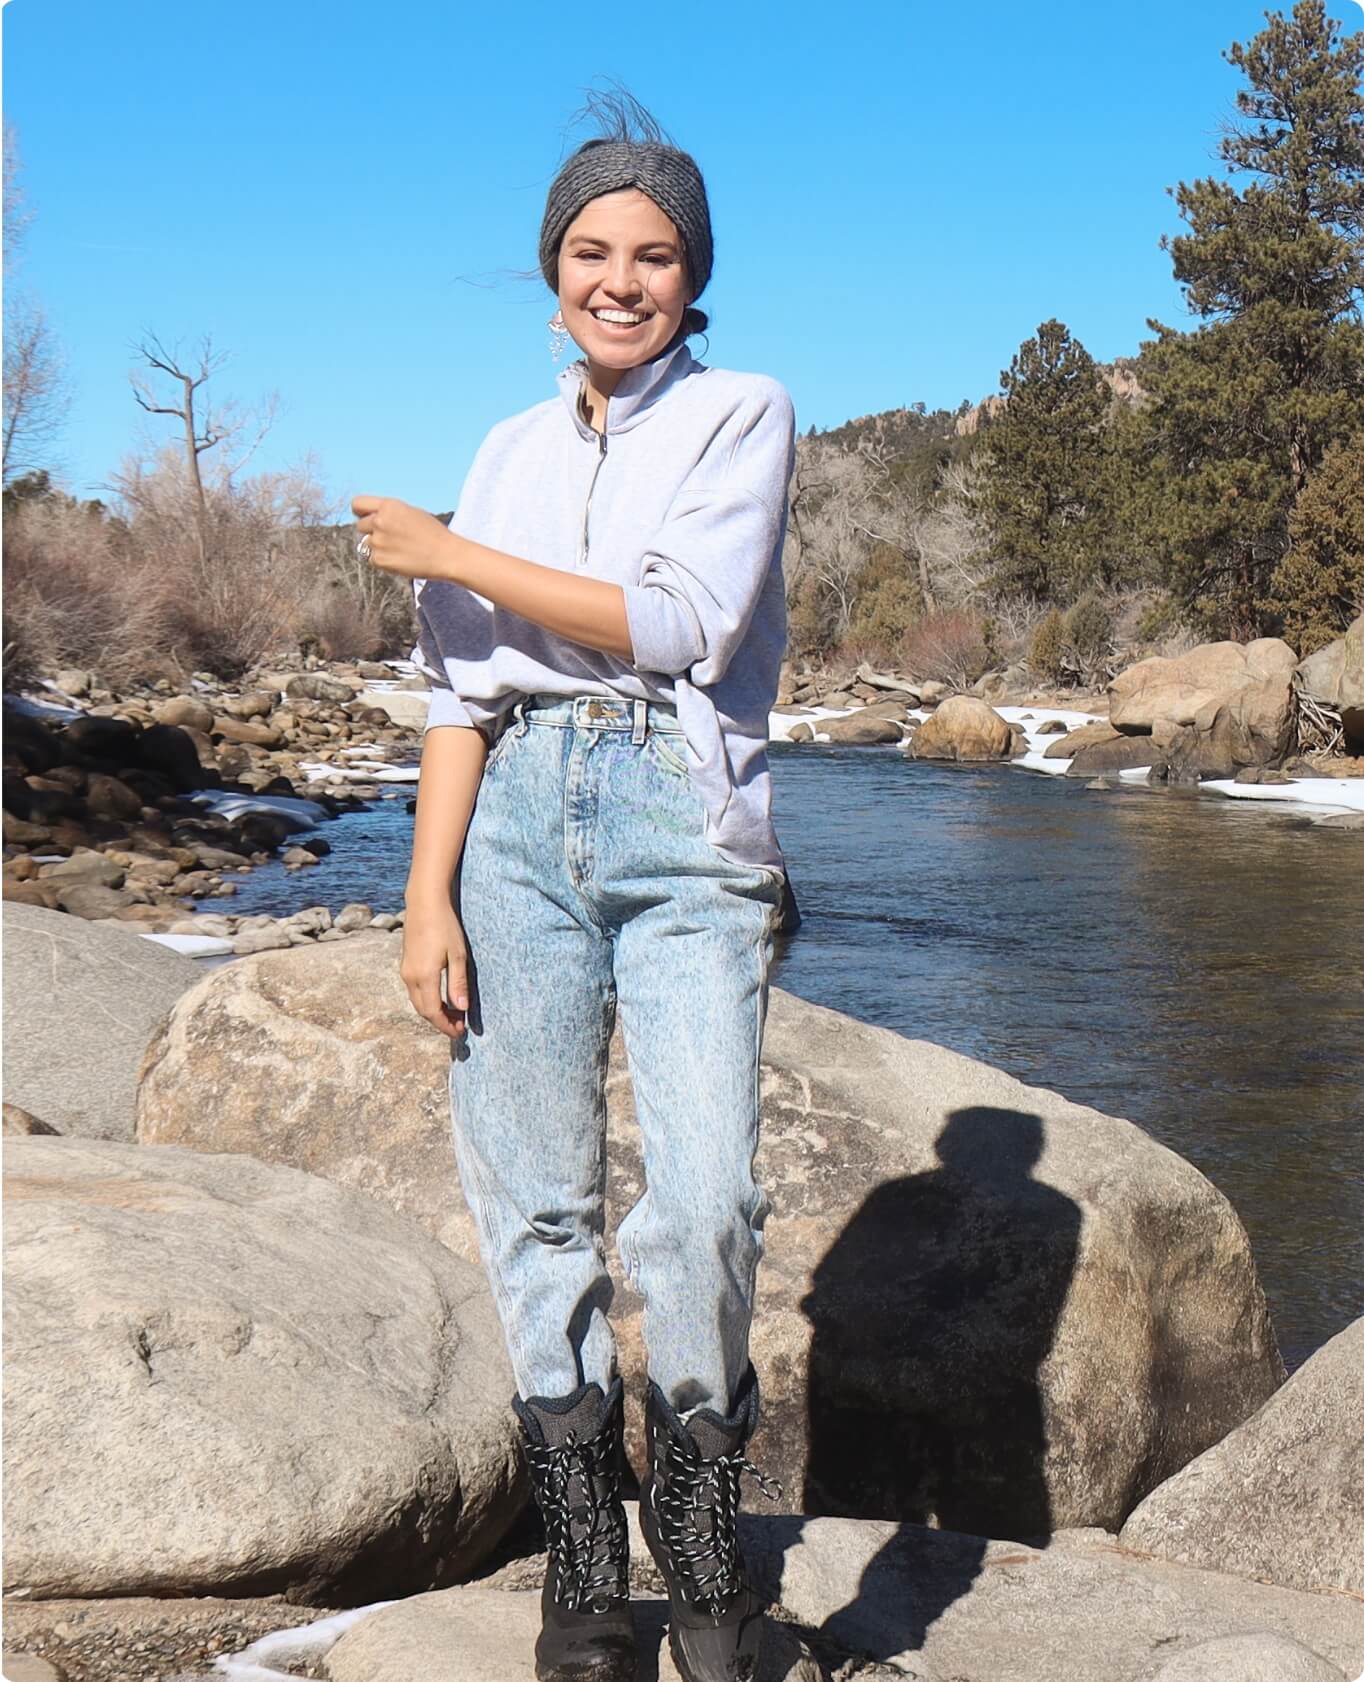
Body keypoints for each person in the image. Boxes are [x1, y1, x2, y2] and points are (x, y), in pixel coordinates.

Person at [352, 96, 794, 1682]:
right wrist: (427, 900)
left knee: (709, 1198)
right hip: (514, 824)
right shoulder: (508, 449)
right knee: (535, 1198)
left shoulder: (744, 411)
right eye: (594, 248)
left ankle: (699, 1532)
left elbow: (675, 624)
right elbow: (462, 697)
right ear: (553, 273)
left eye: (655, 252)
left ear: (693, 276)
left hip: (682, 820)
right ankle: (585, 1563)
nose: (623, 277)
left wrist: (453, 551)